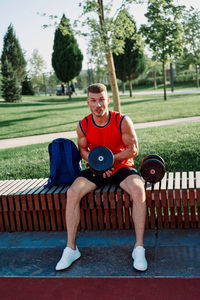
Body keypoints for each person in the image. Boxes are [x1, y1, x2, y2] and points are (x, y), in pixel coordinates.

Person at [56, 83, 147, 272]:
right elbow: (83, 149)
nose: (98, 105)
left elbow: (134, 149)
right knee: (72, 192)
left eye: (102, 100)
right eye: (94, 101)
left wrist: (110, 161)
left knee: (138, 190)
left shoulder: (121, 120)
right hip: (95, 169)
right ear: (88, 102)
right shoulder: (83, 125)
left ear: (108, 100)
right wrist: (98, 164)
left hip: (121, 166)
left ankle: (138, 248)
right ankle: (71, 248)